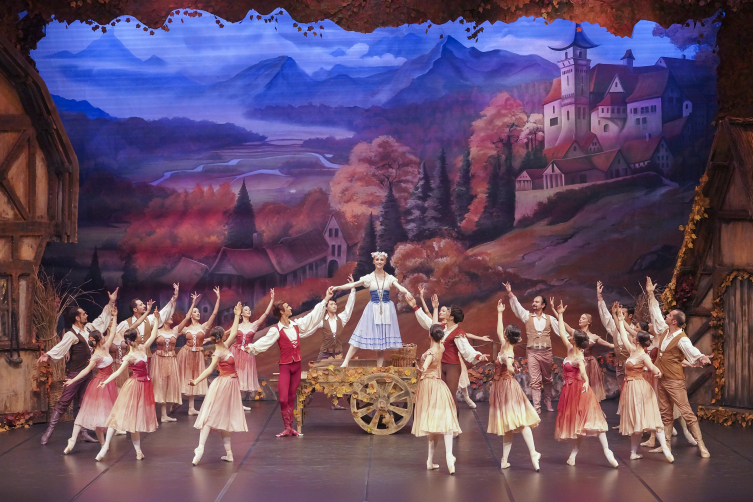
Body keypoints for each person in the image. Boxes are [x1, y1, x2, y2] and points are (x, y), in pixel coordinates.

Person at [244, 287, 333, 437]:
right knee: (284, 398)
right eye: (287, 307)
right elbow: (265, 341)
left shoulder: (296, 325)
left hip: (297, 366)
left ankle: (290, 428)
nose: (291, 308)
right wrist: (252, 348)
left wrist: (326, 299)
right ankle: (286, 427)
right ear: (282, 312)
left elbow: (311, 317)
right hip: (285, 367)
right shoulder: (276, 330)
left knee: (292, 397)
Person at [37, 288, 118, 445]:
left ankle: (83, 433)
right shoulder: (71, 335)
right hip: (75, 373)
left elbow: (102, 319)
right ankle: (48, 432)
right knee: (64, 402)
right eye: (83, 313)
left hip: (88, 374)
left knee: (82, 403)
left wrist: (111, 302)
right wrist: (48, 355)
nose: (86, 315)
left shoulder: (89, 329)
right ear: (77, 317)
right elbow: (61, 347)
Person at [646, 277, 712, 458]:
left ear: (674, 321)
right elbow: (656, 315)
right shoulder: (665, 332)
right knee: (665, 413)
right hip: (662, 379)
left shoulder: (681, 339)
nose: (666, 316)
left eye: (669, 316)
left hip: (675, 380)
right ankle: (666, 445)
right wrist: (651, 295)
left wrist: (700, 357)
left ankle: (702, 446)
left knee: (687, 412)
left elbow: (691, 350)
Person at [554, 300, 618, 468]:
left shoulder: (579, 357)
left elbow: (583, 373)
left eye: (572, 336)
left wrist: (586, 382)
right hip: (569, 392)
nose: (569, 337)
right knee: (578, 425)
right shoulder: (569, 348)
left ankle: (607, 451)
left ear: (576, 340)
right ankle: (573, 455)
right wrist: (560, 315)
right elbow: (562, 332)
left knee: (592, 421)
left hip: (580, 390)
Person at [96, 309, 161, 461]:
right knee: (119, 415)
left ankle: (138, 451)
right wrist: (105, 382)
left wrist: (157, 319)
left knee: (135, 420)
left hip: (144, 386)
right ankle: (105, 447)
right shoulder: (129, 356)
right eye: (138, 334)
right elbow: (118, 372)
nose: (140, 335)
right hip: (133, 386)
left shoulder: (142, 348)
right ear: (134, 338)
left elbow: (153, 335)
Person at [407, 293, 489, 407]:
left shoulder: (458, 333)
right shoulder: (442, 327)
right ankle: (442, 418)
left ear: (451, 317)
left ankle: (454, 417)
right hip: (440, 365)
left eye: (448, 311)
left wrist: (478, 356)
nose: (446, 311)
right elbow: (428, 322)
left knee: (450, 396)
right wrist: (415, 306)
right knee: (441, 396)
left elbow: (466, 348)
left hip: (452, 367)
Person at [189, 303, 247, 465]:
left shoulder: (225, 346)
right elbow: (209, 370)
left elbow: (234, 332)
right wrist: (196, 381)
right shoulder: (219, 352)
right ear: (220, 337)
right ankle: (200, 448)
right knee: (211, 415)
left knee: (224, 419)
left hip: (231, 385)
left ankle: (229, 454)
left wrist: (237, 315)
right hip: (223, 385)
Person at [615, 308, 674, 463]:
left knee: (651, 418)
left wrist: (658, 373)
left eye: (635, 337)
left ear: (637, 340)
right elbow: (623, 336)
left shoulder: (643, 356)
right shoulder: (632, 351)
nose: (632, 337)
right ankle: (633, 453)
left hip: (640, 388)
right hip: (630, 389)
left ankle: (666, 449)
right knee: (636, 422)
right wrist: (620, 320)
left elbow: (653, 368)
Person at [333, 252, 411, 368]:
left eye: (381, 260)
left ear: (384, 262)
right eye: (377, 259)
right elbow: (353, 285)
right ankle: (346, 362)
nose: (379, 261)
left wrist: (407, 292)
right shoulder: (369, 278)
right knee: (360, 332)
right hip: (372, 308)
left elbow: (399, 287)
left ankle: (379, 366)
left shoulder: (389, 278)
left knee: (381, 338)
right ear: (374, 261)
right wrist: (337, 287)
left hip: (386, 309)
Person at [490, 301, 541, 471]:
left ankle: (533, 452)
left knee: (519, 420)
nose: (503, 333)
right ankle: (504, 460)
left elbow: (511, 367)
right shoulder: (504, 345)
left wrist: (513, 367)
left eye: (505, 332)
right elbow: (499, 331)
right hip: (501, 388)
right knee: (508, 425)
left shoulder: (509, 352)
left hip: (508, 388)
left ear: (507, 336)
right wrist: (499, 312)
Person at [61, 308, 120, 454]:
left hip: (108, 383)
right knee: (87, 412)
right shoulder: (97, 355)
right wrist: (72, 380)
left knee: (104, 413)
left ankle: (103, 444)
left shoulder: (105, 347)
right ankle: (73, 439)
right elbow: (86, 370)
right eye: (102, 335)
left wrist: (115, 316)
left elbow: (113, 332)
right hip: (100, 385)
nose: (104, 336)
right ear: (99, 339)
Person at [504, 282, 560, 414]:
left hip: (546, 351)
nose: (534, 303)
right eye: (533, 301)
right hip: (532, 352)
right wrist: (510, 293)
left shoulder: (549, 319)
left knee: (547, 378)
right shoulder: (527, 316)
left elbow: (561, 330)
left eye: (537, 302)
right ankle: (537, 406)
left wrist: (574, 341)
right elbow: (518, 307)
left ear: (543, 305)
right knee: (534, 380)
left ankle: (547, 400)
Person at [412, 324, 462, 474]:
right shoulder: (441, 348)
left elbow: (424, 369)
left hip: (430, 386)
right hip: (435, 384)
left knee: (436, 423)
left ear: (429, 335)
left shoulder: (430, 353)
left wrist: (419, 368)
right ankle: (436, 460)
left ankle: (445, 457)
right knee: (439, 422)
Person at [305, 277, 356, 409]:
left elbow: (349, 307)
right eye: (332, 304)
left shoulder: (341, 319)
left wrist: (352, 289)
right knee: (316, 373)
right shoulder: (322, 321)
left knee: (341, 376)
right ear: (326, 307)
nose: (334, 306)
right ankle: (308, 395)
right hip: (325, 353)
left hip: (337, 353)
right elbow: (310, 328)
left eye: (335, 304)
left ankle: (336, 402)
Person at [151, 292, 198, 422]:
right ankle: (160, 414)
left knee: (168, 385)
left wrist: (193, 303)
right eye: (169, 316)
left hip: (171, 360)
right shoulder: (157, 331)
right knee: (160, 385)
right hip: (159, 360)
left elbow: (187, 318)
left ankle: (165, 414)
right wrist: (156, 319)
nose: (172, 317)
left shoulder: (175, 330)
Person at [177, 286, 220, 415]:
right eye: (195, 312)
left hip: (197, 355)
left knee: (194, 378)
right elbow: (178, 329)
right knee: (183, 378)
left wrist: (218, 298)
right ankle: (175, 402)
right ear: (191, 315)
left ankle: (191, 407)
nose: (198, 313)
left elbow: (214, 314)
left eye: (198, 312)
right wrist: (193, 303)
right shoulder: (186, 329)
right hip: (186, 354)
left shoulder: (204, 327)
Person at [231, 290, 275, 411]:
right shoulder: (237, 325)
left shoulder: (254, 325)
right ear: (241, 313)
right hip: (236, 352)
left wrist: (271, 300)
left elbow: (265, 314)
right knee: (236, 377)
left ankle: (239, 404)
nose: (248, 311)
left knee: (243, 378)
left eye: (249, 310)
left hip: (247, 353)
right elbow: (226, 333)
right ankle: (234, 404)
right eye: (246, 310)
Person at [559, 310, 613, 401]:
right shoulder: (576, 335)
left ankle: (588, 402)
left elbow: (610, 345)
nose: (580, 320)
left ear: (589, 322)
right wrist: (559, 314)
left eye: (583, 318)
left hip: (588, 363)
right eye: (580, 318)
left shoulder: (593, 337)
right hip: (577, 362)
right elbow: (563, 329)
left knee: (587, 382)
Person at [116, 283, 178, 357]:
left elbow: (164, 313)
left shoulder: (149, 319)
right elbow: (115, 335)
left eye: (143, 304)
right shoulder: (126, 323)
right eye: (141, 305)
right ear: (135, 309)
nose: (144, 306)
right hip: (132, 356)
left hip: (146, 355)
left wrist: (174, 298)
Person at [596, 281, 632, 390]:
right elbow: (607, 319)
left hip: (632, 365)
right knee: (622, 390)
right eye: (619, 313)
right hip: (620, 365)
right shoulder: (616, 328)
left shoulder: (634, 330)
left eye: (623, 313)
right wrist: (600, 298)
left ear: (630, 316)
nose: (620, 314)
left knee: (633, 389)